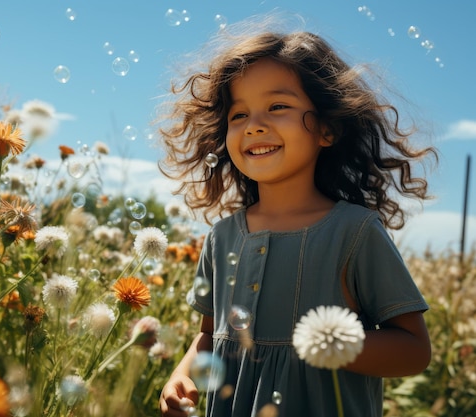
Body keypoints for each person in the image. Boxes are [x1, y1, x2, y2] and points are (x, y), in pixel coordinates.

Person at [157, 17, 436, 417]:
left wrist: (328, 342)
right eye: (239, 115)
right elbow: (208, 336)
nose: (254, 126)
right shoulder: (221, 238)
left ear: (327, 128)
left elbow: (413, 350)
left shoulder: (354, 232)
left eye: (277, 106)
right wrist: (182, 376)